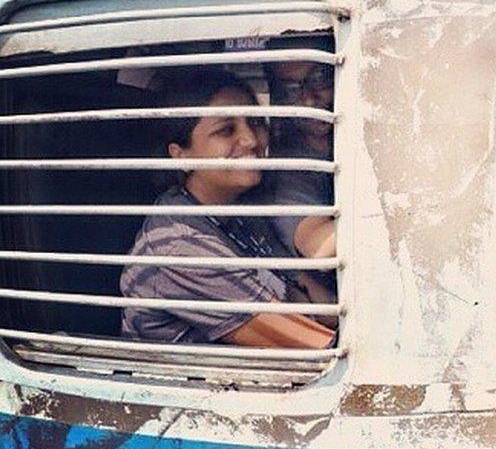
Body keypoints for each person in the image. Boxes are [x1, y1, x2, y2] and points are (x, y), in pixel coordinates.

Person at [120, 68, 335, 349]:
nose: (251, 140)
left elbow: (323, 304)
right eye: (226, 130)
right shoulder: (178, 245)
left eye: (255, 122)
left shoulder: (240, 207)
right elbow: (310, 342)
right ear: (180, 155)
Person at [263, 58, 336, 262]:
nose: (309, 100)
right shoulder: (292, 169)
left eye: (319, 78)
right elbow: (318, 246)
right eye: (291, 88)